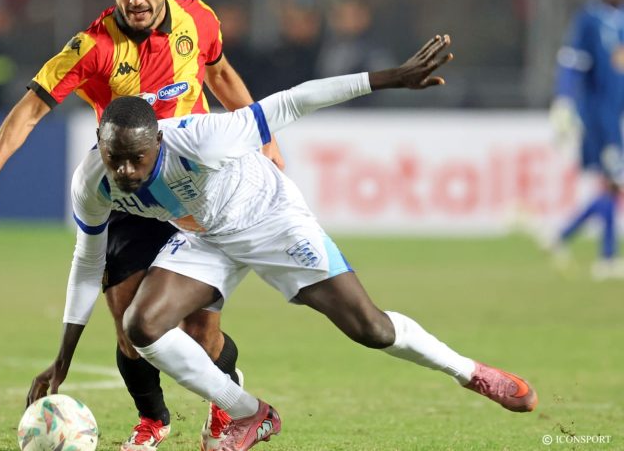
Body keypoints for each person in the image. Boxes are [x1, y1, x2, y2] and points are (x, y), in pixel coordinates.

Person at [64, 34, 537, 451]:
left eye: (137, 159)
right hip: (207, 237)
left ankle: (470, 372)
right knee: (142, 325)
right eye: (114, 158)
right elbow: (87, 263)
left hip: (271, 221)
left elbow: (293, 102)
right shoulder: (92, 182)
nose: (125, 171)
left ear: (158, 144)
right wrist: (62, 358)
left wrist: (389, 78)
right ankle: (250, 412)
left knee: (370, 328)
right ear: (100, 143)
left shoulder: (203, 140)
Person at [0, 0, 284, 449]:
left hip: (195, 193)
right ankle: (153, 418)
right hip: (132, 191)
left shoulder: (199, 20)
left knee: (200, 332)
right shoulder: (91, 47)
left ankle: (227, 397)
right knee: (129, 322)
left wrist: (266, 139)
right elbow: (31, 109)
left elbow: (219, 73)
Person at [548, 0, 624, 280]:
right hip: (599, 117)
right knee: (614, 183)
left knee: (612, 186)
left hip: (617, 116)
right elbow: (572, 63)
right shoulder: (590, 19)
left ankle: (563, 235)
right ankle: (606, 257)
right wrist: (564, 100)